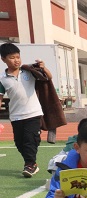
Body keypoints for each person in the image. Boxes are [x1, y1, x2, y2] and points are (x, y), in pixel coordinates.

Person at [0, 42, 49, 178]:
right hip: (16, 116)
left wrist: (44, 68)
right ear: (3, 59)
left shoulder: (28, 71)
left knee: (29, 139)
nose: (16, 60)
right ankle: (31, 162)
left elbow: (48, 78)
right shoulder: (2, 79)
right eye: (12, 57)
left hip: (33, 112)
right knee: (19, 142)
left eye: (18, 57)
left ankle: (30, 164)